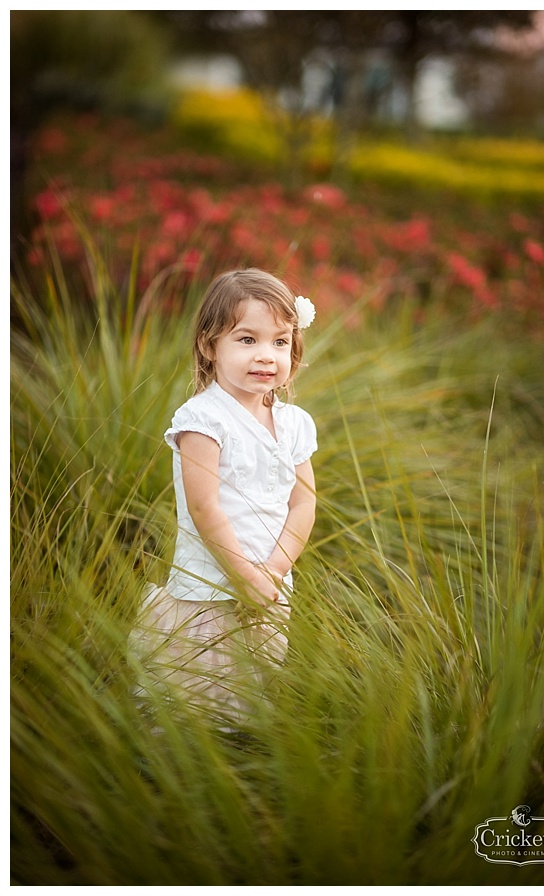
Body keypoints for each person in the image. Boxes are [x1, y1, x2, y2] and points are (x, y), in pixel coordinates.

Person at [130, 269, 318, 730]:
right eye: (247, 339)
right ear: (210, 346)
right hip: (210, 588)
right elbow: (205, 507)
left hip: (270, 584)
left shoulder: (294, 422)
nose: (265, 356)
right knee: (192, 699)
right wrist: (244, 577)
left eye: (279, 342)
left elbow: (304, 503)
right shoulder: (203, 419)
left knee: (247, 693)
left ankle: (235, 759)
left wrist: (271, 573)